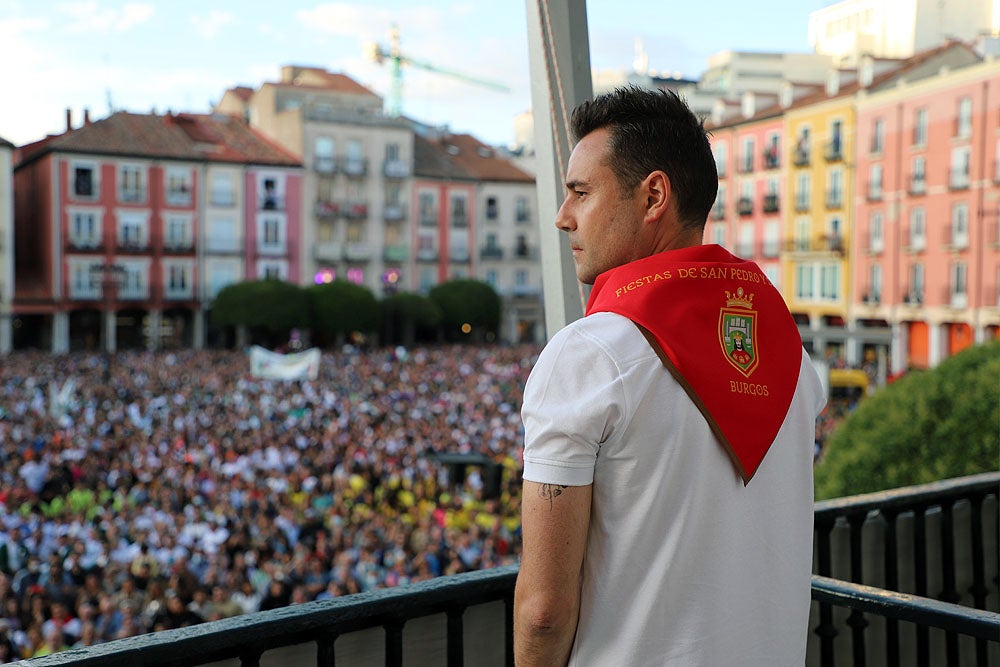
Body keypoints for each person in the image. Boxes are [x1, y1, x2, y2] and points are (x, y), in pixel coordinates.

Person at [513, 86, 825, 666]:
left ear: (653, 195)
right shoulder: (791, 356)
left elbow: (544, 611)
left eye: (581, 192)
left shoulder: (589, 356)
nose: (563, 217)